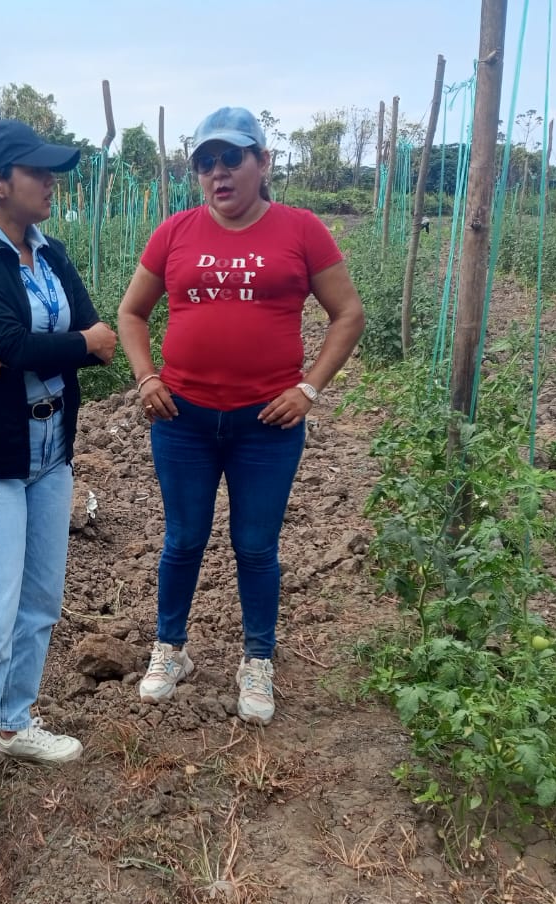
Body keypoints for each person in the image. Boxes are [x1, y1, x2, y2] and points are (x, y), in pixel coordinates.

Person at [117, 106, 365, 725]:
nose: (218, 173)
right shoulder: (174, 233)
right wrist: (146, 376)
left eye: (232, 158)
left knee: (255, 545)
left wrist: (309, 389)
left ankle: (257, 659)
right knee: (183, 539)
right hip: (184, 420)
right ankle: (170, 649)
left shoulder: (301, 230)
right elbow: (131, 313)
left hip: (267, 425)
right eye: (206, 162)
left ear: (263, 162)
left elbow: (348, 314)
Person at [0, 119, 117, 857]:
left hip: (50, 452)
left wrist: (39, 349)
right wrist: (47, 346)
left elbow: (99, 338)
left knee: (39, 603)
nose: (51, 182)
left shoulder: (50, 252)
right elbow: (26, 341)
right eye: (38, 171)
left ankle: (13, 723)